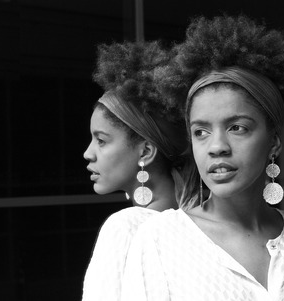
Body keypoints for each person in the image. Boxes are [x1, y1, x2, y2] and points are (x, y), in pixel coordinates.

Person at [120, 15, 284, 300]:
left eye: (237, 128)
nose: (217, 147)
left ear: (274, 141)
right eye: (201, 132)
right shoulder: (159, 239)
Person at [81, 41, 199, 301]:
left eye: (101, 140)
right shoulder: (202, 224)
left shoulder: (125, 228)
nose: (88, 153)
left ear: (145, 152)